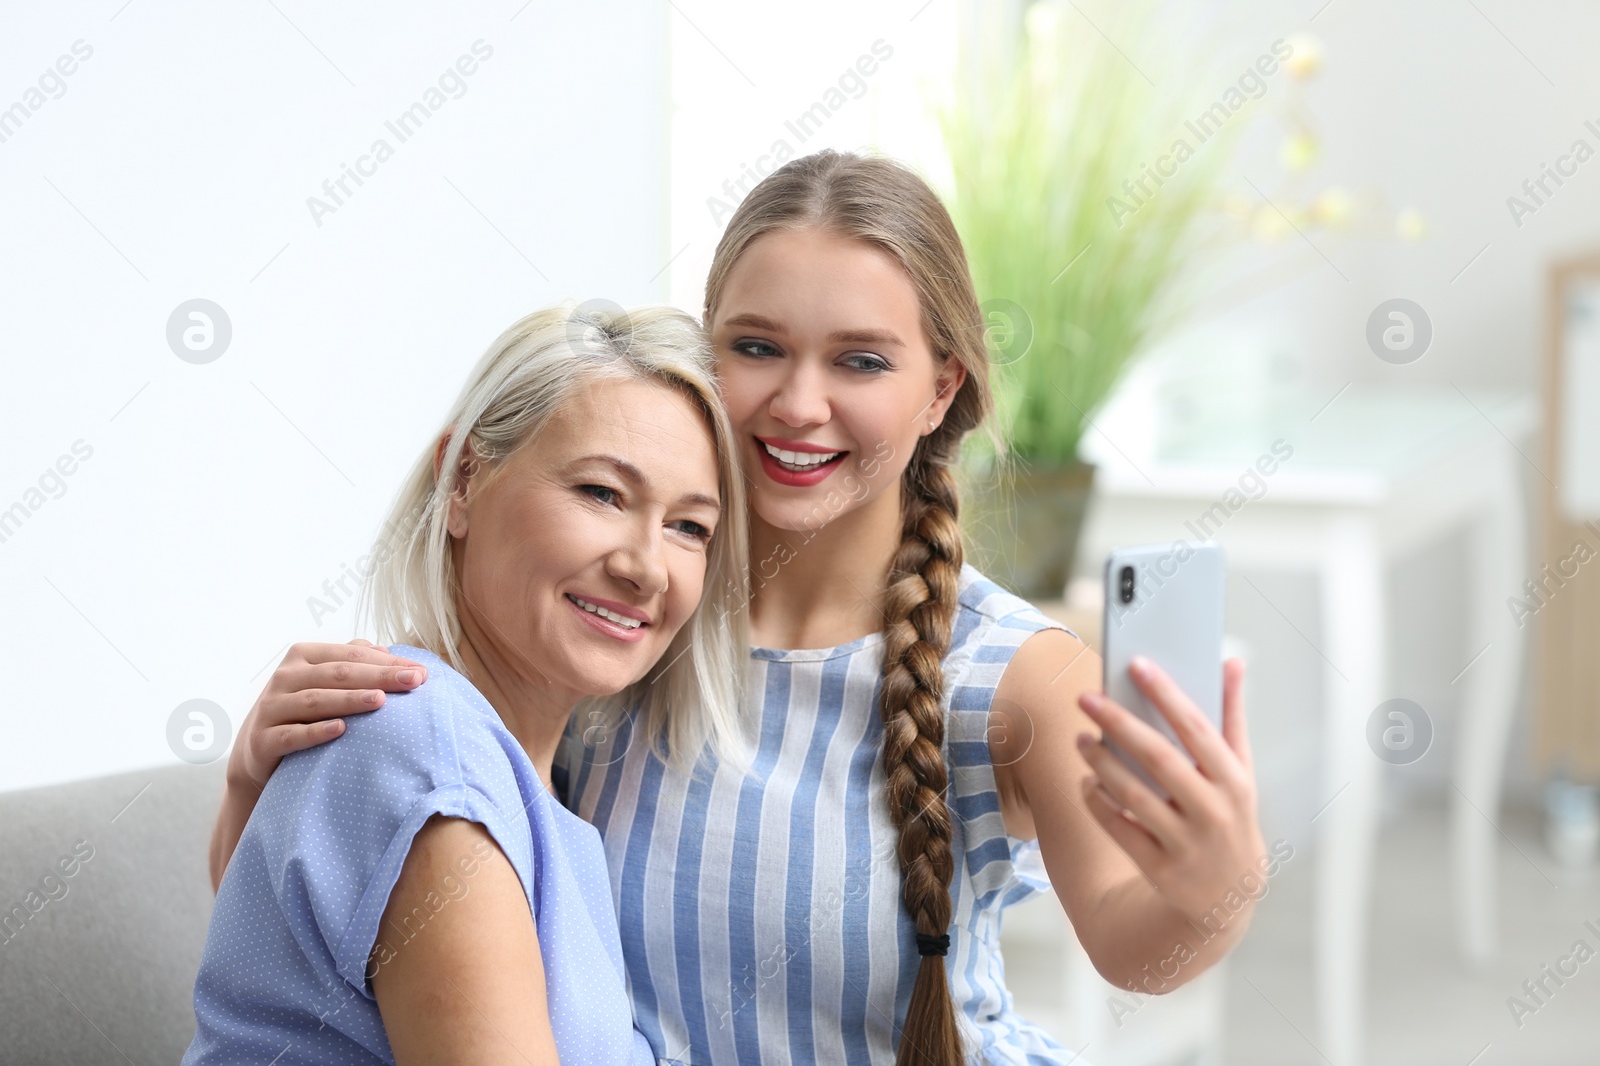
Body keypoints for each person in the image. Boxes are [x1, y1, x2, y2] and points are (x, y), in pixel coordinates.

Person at [211, 151, 1266, 1066]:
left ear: (940, 388)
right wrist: (267, 786)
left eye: (859, 360)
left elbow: (1139, 948)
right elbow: (355, 940)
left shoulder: (1010, 673)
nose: (798, 403)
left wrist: (1215, 891)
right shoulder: (622, 626)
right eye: (755, 347)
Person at [186, 304, 750, 1065]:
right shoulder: (435, 763)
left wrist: (246, 792)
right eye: (601, 493)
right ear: (462, 479)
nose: (646, 566)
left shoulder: (505, 768)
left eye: (690, 527)